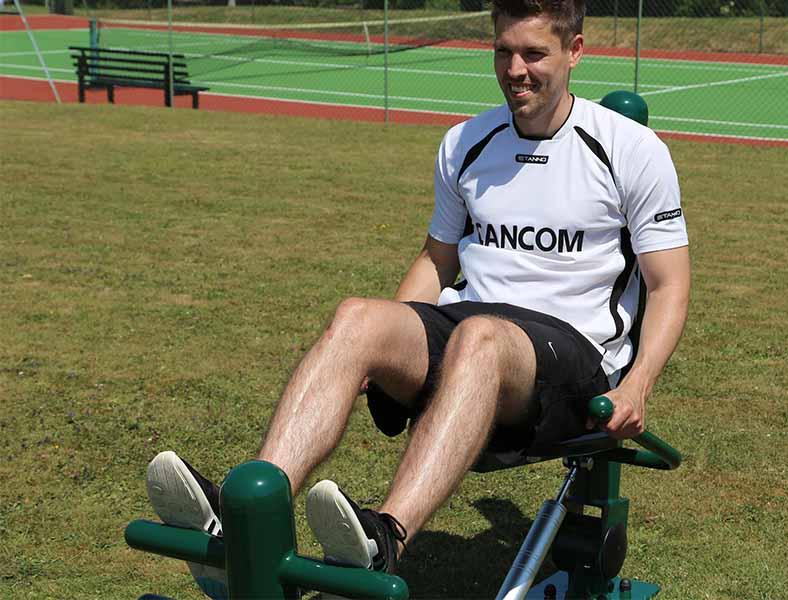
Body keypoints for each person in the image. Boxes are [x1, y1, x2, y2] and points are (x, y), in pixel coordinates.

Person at [144, 0, 690, 595]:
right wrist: (382, 348)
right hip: (470, 328)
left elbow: (668, 284)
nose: (516, 70)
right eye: (504, 52)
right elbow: (437, 259)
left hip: (572, 355)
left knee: (481, 337)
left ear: (574, 51)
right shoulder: (465, 143)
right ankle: (245, 526)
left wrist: (637, 386)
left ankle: (386, 537)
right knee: (358, 318)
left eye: (534, 54)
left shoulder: (629, 149)